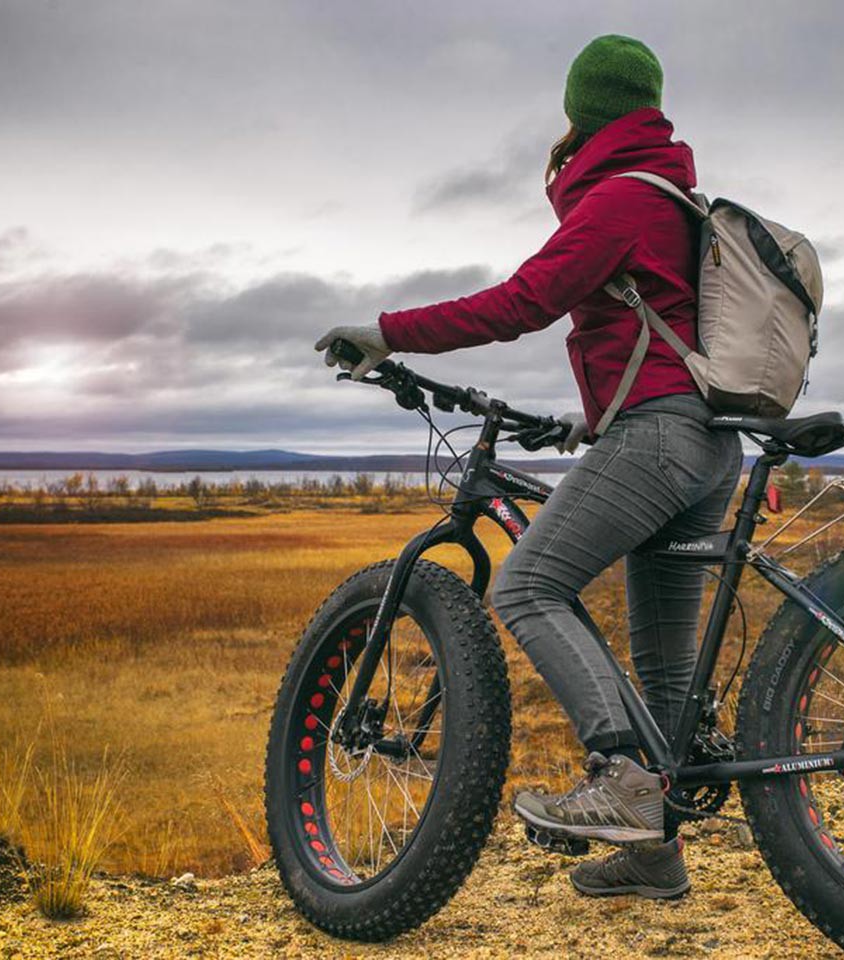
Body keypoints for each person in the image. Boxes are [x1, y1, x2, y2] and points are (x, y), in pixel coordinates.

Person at [315, 34, 742, 900]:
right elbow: (656, 335)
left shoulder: (622, 196)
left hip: (659, 437)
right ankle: (656, 854)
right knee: (661, 671)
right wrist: (585, 421)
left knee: (527, 587)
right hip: (707, 445)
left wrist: (387, 332)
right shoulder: (676, 198)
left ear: (583, 110)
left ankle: (619, 778)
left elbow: (523, 303)